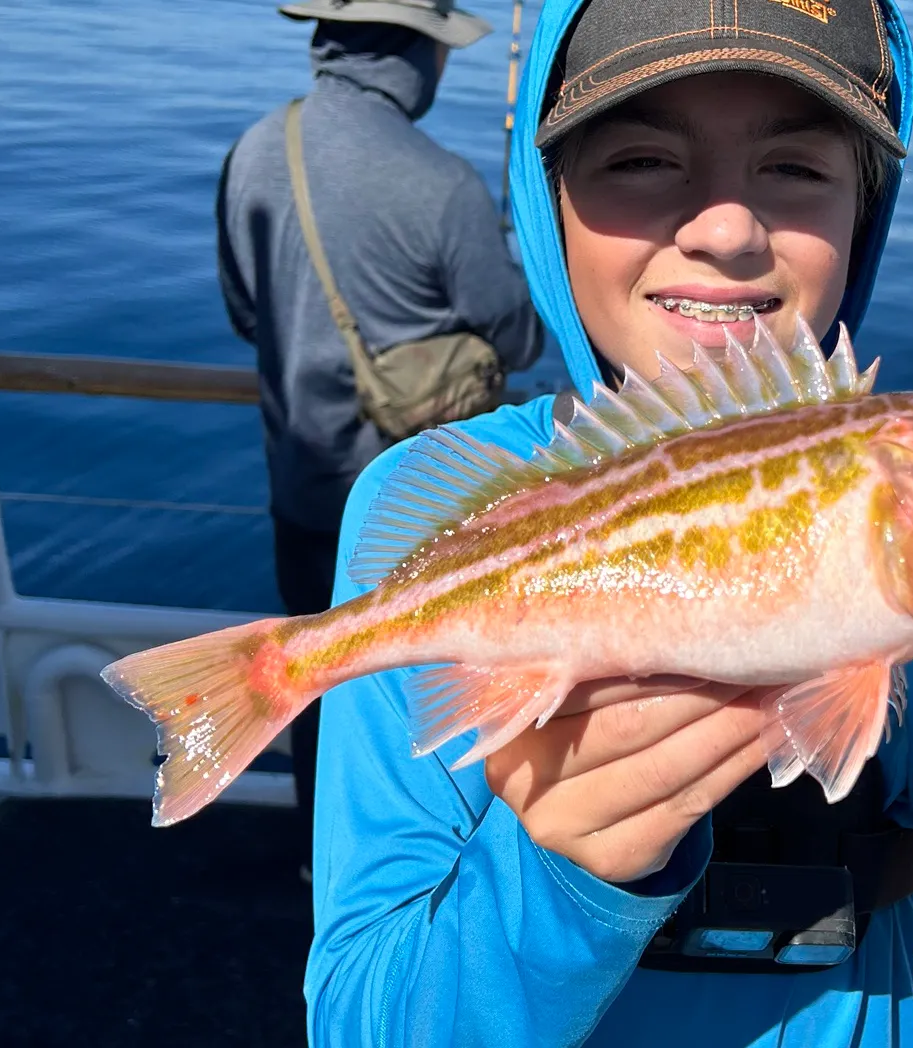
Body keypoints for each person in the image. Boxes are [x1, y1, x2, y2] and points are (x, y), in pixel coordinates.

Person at [303, 0, 913, 1044]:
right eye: (642, 160)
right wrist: (553, 873)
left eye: (795, 170)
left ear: (864, 218)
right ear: (543, 194)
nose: (728, 228)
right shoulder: (433, 502)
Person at [215, 0, 544, 882]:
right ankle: (421, 880)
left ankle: (324, 874)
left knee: (312, 695)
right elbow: (516, 338)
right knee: (419, 708)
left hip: (300, 482)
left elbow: (244, 310)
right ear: (414, 57)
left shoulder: (254, 151)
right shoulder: (440, 181)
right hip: (424, 512)